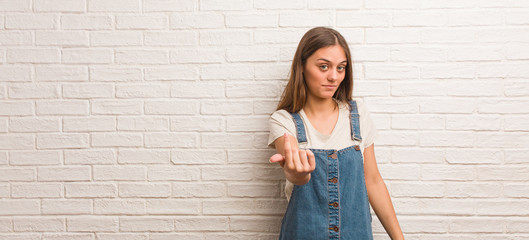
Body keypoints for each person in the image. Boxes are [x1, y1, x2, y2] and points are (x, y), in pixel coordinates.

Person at [268, 27, 404, 240]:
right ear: (302, 66)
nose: (333, 76)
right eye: (323, 66)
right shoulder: (284, 121)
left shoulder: (357, 114)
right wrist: (298, 174)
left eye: (341, 68)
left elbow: (373, 181)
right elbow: (296, 175)